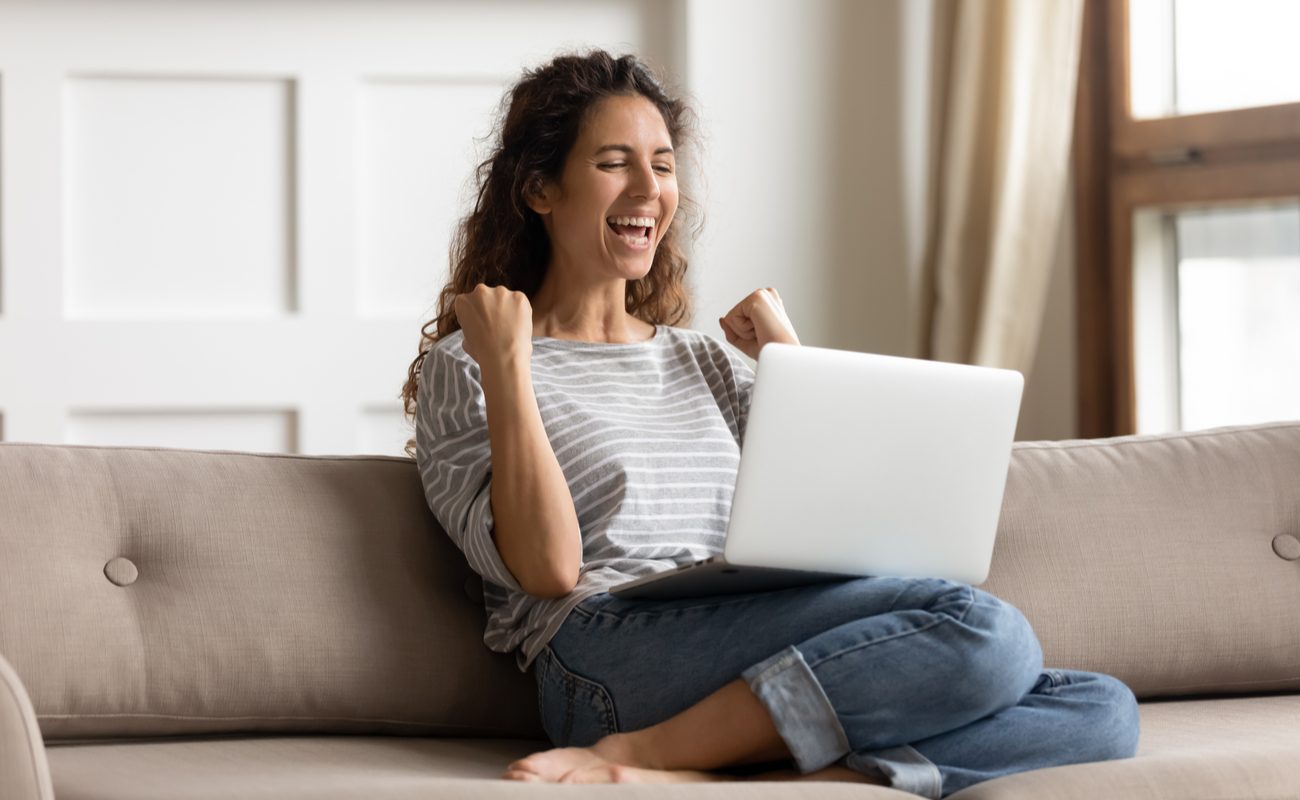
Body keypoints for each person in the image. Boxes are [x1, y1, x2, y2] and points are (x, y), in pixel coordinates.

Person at [399, 48, 1140, 798]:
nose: (648, 190)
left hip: (747, 619)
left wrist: (790, 359)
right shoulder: (472, 367)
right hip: (603, 654)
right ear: (539, 189)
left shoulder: (703, 362)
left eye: (661, 165)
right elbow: (550, 570)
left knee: (1102, 708)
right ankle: (649, 752)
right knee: (988, 634)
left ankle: (776, 763)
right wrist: (510, 366)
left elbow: (853, 525)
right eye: (614, 163)